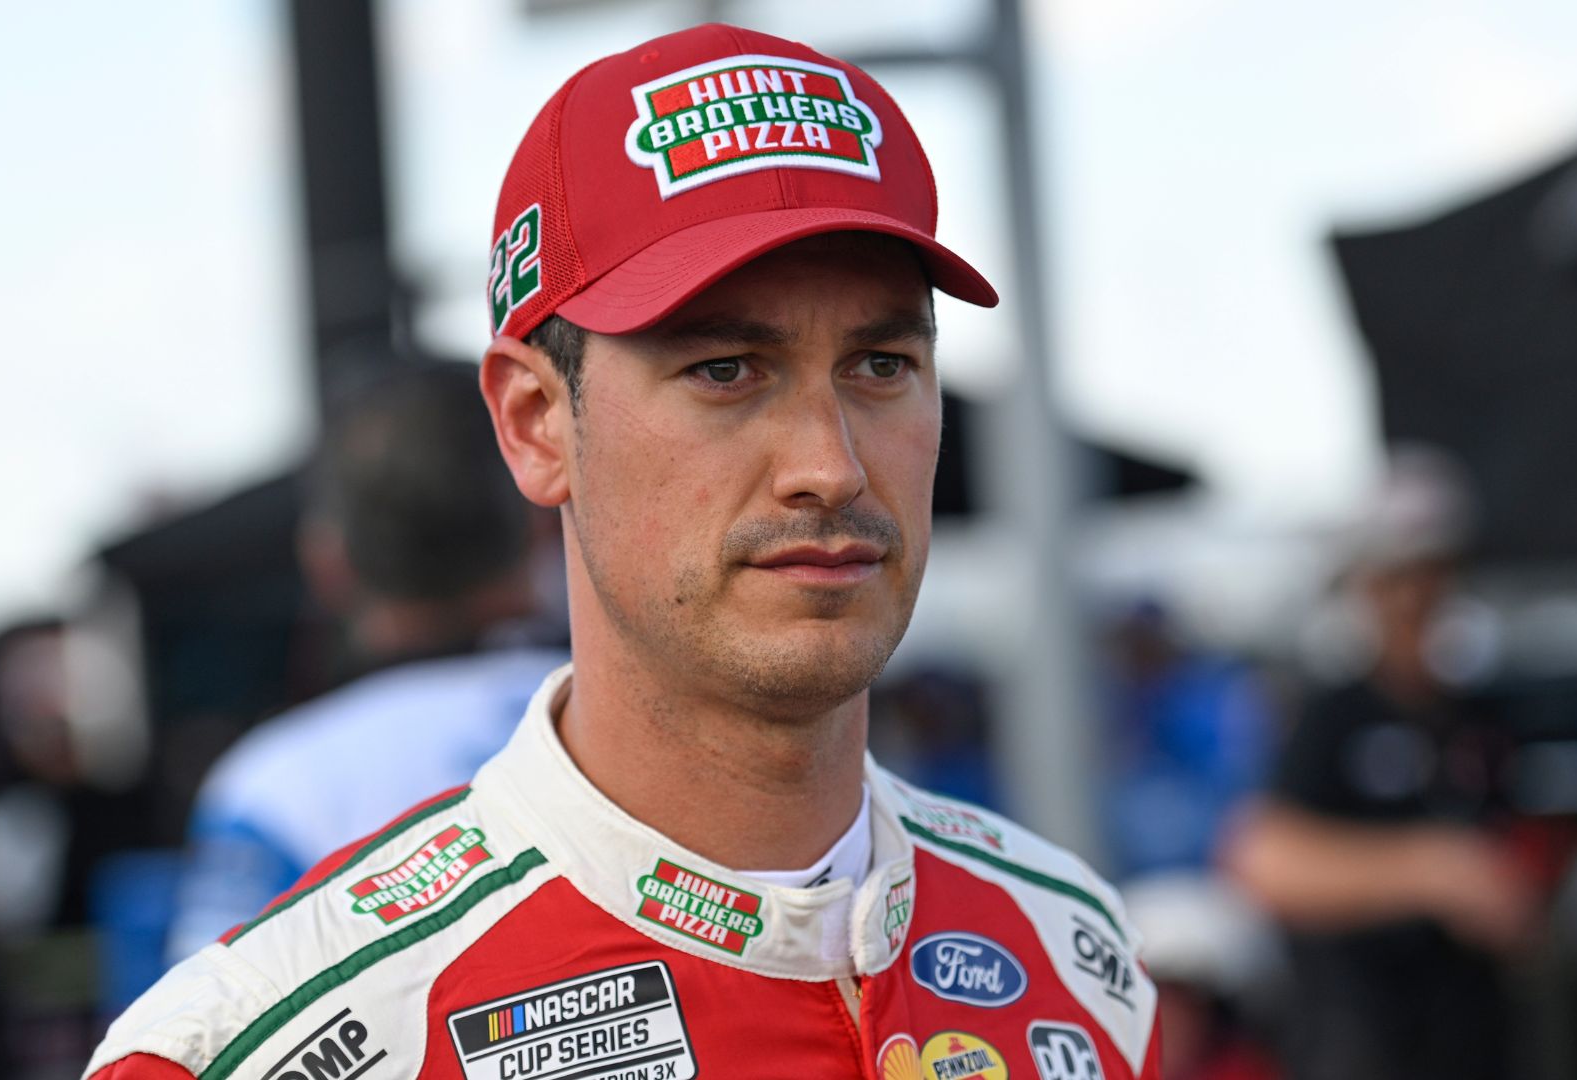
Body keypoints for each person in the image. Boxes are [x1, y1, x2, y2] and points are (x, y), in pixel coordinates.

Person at [83, 24, 1159, 1080]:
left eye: (879, 364)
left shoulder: (1075, 956)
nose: (829, 468)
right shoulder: (257, 1045)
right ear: (536, 423)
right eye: (727, 370)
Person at [164, 362, 566, 960]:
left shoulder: (273, 788)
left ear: (326, 562)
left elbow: (206, 1038)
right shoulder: (647, 725)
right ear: (537, 531)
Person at [1221, 450, 1536, 1080]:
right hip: (1359, 1044)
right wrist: (1430, 869)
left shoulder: (1484, 718)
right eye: (1395, 578)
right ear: (1364, 587)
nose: (1414, 598)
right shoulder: (1331, 715)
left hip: (1473, 1041)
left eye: (1429, 574)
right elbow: (1261, 860)